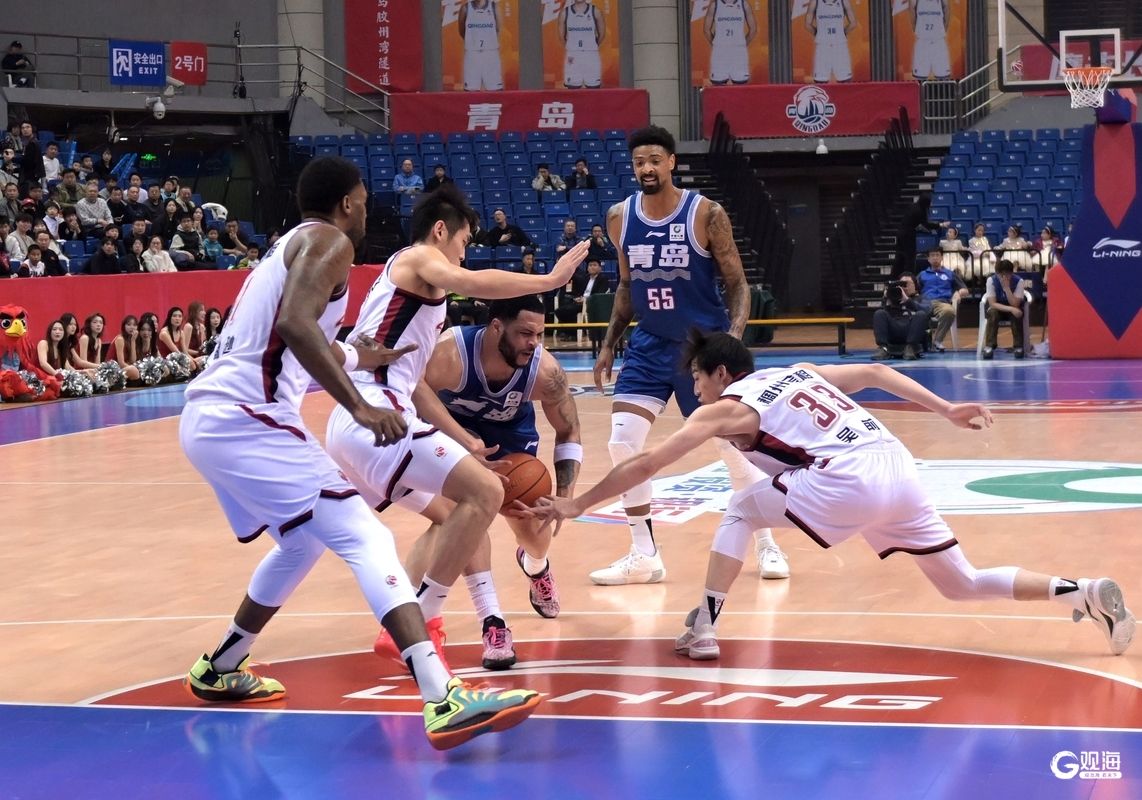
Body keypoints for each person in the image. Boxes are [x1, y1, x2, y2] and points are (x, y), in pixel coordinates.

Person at [178, 156, 541, 750]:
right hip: (249, 418)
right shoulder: (329, 242)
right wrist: (359, 404)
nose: (368, 213)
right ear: (347, 203)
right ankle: (442, 696)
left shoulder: (290, 247)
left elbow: (293, 336)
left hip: (215, 419)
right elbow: (296, 326)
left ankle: (221, 665)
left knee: (302, 544)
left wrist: (355, 356)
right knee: (366, 537)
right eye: (365, 202)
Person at [530, 331, 1136, 660]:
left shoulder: (727, 407)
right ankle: (1081, 591)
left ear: (720, 374)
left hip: (845, 478)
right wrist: (946, 407)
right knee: (962, 582)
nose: (695, 390)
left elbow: (646, 462)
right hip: (896, 465)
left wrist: (578, 503)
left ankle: (704, 627)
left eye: (696, 378)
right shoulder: (798, 372)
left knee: (740, 506)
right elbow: (875, 373)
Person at [323, 184, 588, 671]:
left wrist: (464, 438)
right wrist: (549, 279)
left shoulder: (422, 297)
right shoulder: (419, 259)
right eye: (464, 241)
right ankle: (424, 621)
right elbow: (471, 280)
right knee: (485, 493)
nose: (464, 252)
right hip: (378, 413)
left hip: (365, 416)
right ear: (441, 231)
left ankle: (426, 625)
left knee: (456, 515)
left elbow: (415, 384)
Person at [590, 125, 788, 585]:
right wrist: (608, 342)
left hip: (702, 348)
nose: (647, 168)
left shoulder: (706, 213)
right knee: (622, 441)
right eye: (639, 162)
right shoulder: (619, 217)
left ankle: (767, 543)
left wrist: (732, 339)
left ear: (672, 163)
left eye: (655, 160)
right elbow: (626, 286)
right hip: (649, 344)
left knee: (733, 449)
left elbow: (738, 283)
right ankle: (644, 555)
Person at [373, 294, 582, 669]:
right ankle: (485, 621)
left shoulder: (545, 371)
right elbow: (413, 388)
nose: (533, 343)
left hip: (511, 441)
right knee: (458, 516)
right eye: (525, 333)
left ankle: (536, 566)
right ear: (497, 327)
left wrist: (564, 496)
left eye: (539, 334)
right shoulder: (451, 353)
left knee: (533, 531)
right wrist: (463, 441)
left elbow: (568, 430)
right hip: (454, 432)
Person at [917, 247, 967, 351]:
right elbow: (913, 289)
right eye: (932, 255)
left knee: (949, 312)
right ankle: (916, 343)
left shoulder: (950, 274)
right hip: (925, 302)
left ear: (942, 257)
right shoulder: (922, 274)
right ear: (928, 259)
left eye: (937, 255)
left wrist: (958, 292)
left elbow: (965, 289)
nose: (935, 258)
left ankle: (937, 340)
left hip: (942, 303)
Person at [872, 272, 928, 361]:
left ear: (915, 285)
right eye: (901, 284)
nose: (904, 287)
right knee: (879, 313)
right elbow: (881, 317)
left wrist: (907, 301)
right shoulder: (892, 297)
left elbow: (927, 311)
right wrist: (886, 299)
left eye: (907, 284)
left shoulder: (922, 298)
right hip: (894, 329)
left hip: (911, 331)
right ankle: (883, 348)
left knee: (921, 314)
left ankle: (910, 347)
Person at [704, 0, 757, 85]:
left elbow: (753, 30)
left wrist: (742, 45)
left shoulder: (744, 4)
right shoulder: (715, 5)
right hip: (720, 53)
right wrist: (716, 44)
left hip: (738, 54)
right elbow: (706, 30)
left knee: (740, 86)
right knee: (718, 86)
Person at [982, 259, 1025, 360]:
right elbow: (992, 303)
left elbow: (1015, 304)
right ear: (997, 273)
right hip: (998, 308)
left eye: (1007, 274)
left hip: (1013, 307)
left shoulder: (1019, 281)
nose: (1003, 277)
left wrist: (1007, 288)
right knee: (993, 313)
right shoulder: (991, 280)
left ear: (1011, 273)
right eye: (1001, 275)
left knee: (1017, 314)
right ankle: (989, 346)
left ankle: (1018, 346)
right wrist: (1011, 309)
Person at [894, 193, 947, 275]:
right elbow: (926, 224)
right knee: (910, 257)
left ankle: (895, 275)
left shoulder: (912, 206)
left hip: (900, 233)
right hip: (908, 235)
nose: (931, 204)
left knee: (899, 256)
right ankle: (909, 275)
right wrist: (940, 225)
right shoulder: (921, 211)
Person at [807, 0, 857, 82]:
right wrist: (841, 33)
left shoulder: (843, 1)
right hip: (828, 45)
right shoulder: (815, 2)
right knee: (821, 80)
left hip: (835, 45)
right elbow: (807, 24)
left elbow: (853, 23)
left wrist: (842, 33)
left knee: (845, 80)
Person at [459, 0, 504, 91]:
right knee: (471, 90)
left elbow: (498, 29)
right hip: (472, 53)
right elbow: (462, 31)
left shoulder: (494, 7)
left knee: (495, 90)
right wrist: (473, 42)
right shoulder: (465, 8)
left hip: (490, 53)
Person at [560, 1, 604, 89]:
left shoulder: (595, 11)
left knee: (594, 88)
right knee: (572, 89)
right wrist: (572, 47)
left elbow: (602, 34)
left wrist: (591, 46)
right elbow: (561, 36)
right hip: (573, 54)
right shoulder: (565, 13)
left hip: (591, 54)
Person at [911, 0, 951, 80]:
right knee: (920, 79)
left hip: (938, 40)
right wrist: (916, 28)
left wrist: (944, 29)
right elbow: (911, 8)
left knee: (943, 78)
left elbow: (947, 8)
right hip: (922, 41)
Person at [108, 315, 143, 382]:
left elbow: (133, 360)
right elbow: (121, 363)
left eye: (134, 325)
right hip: (113, 370)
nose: (132, 327)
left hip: (123, 369)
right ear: (124, 326)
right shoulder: (120, 339)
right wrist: (136, 369)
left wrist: (133, 341)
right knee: (133, 370)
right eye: (129, 325)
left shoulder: (131, 339)